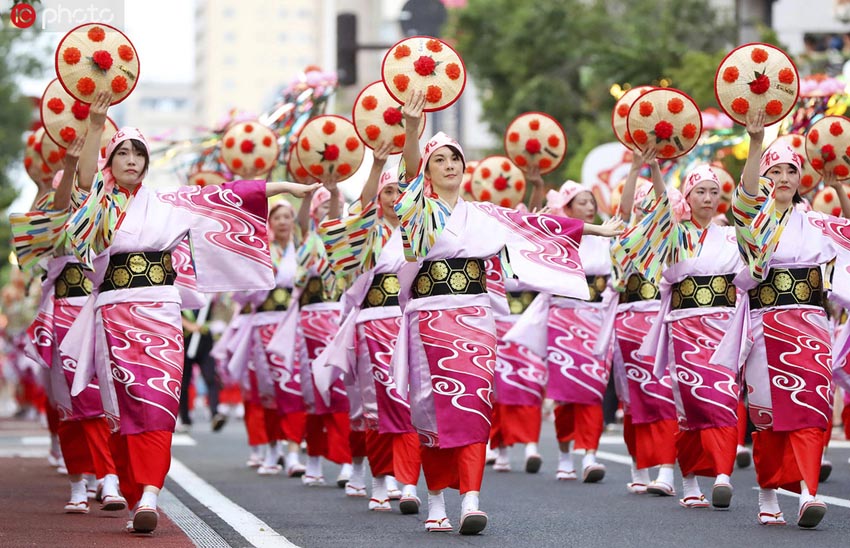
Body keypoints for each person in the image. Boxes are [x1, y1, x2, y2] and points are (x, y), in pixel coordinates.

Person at [60, 91, 319, 535]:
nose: (130, 160)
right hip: (115, 314)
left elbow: (231, 196)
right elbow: (84, 180)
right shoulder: (100, 202)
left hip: (162, 312)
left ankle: (150, 495)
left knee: (159, 402)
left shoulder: (171, 202)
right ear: (110, 160)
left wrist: (286, 187)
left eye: (137, 154)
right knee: (125, 408)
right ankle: (130, 485)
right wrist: (97, 121)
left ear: (145, 163)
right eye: (121, 152)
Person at [393, 90, 623, 534]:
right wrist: (410, 130)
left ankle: (471, 500)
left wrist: (597, 229)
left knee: (474, 402)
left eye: (455, 159)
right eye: (439, 160)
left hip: (476, 316)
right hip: (430, 315)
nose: (449, 166)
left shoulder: (483, 214)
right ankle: (437, 499)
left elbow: (539, 226)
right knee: (432, 408)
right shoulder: (418, 209)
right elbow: (406, 179)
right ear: (426, 169)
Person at [718, 108, 850, 528]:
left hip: (811, 322)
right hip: (766, 323)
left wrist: (842, 191)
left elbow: (847, 233)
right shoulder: (754, 221)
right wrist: (756, 143)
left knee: (811, 408)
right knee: (769, 415)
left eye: (792, 170)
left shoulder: (814, 221)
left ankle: (809, 494)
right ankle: (769, 493)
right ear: (767, 179)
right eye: (777, 171)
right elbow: (744, 198)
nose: (785, 178)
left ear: (799, 179)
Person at [617, 153, 744, 511]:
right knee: (691, 405)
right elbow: (657, 208)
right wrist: (655, 168)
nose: (707, 197)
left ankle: (721, 475)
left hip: (723, 327)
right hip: (685, 329)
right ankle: (689, 481)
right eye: (700, 191)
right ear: (686, 199)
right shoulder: (674, 235)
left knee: (722, 398)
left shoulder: (733, 237)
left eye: (713, 191)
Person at [317, 141, 423, 512]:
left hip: (408, 322)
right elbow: (358, 211)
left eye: (399, 191)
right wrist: (377, 165)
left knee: (410, 401)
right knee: (377, 404)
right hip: (373, 322)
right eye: (387, 192)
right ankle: (379, 479)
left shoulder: (418, 230)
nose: (394, 198)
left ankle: (407, 482)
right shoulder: (370, 233)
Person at [608, 150, 679, 496]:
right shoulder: (624, 239)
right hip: (626, 324)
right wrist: (636, 168)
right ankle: (638, 467)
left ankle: (666, 471)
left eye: (654, 208)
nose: (649, 213)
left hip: (659, 321)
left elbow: (664, 204)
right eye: (643, 207)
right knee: (633, 400)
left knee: (664, 395)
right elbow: (620, 216)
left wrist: (654, 166)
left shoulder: (670, 238)